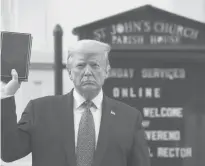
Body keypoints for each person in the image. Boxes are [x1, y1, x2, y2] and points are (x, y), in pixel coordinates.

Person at [1, 39, 150, 166]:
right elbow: (9, 152)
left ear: (107, 71)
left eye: (95, 65)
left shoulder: (129, 118)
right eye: (80, 65)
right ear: (69, 72)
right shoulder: (40, 111)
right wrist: (6, 96)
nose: (87, 72)